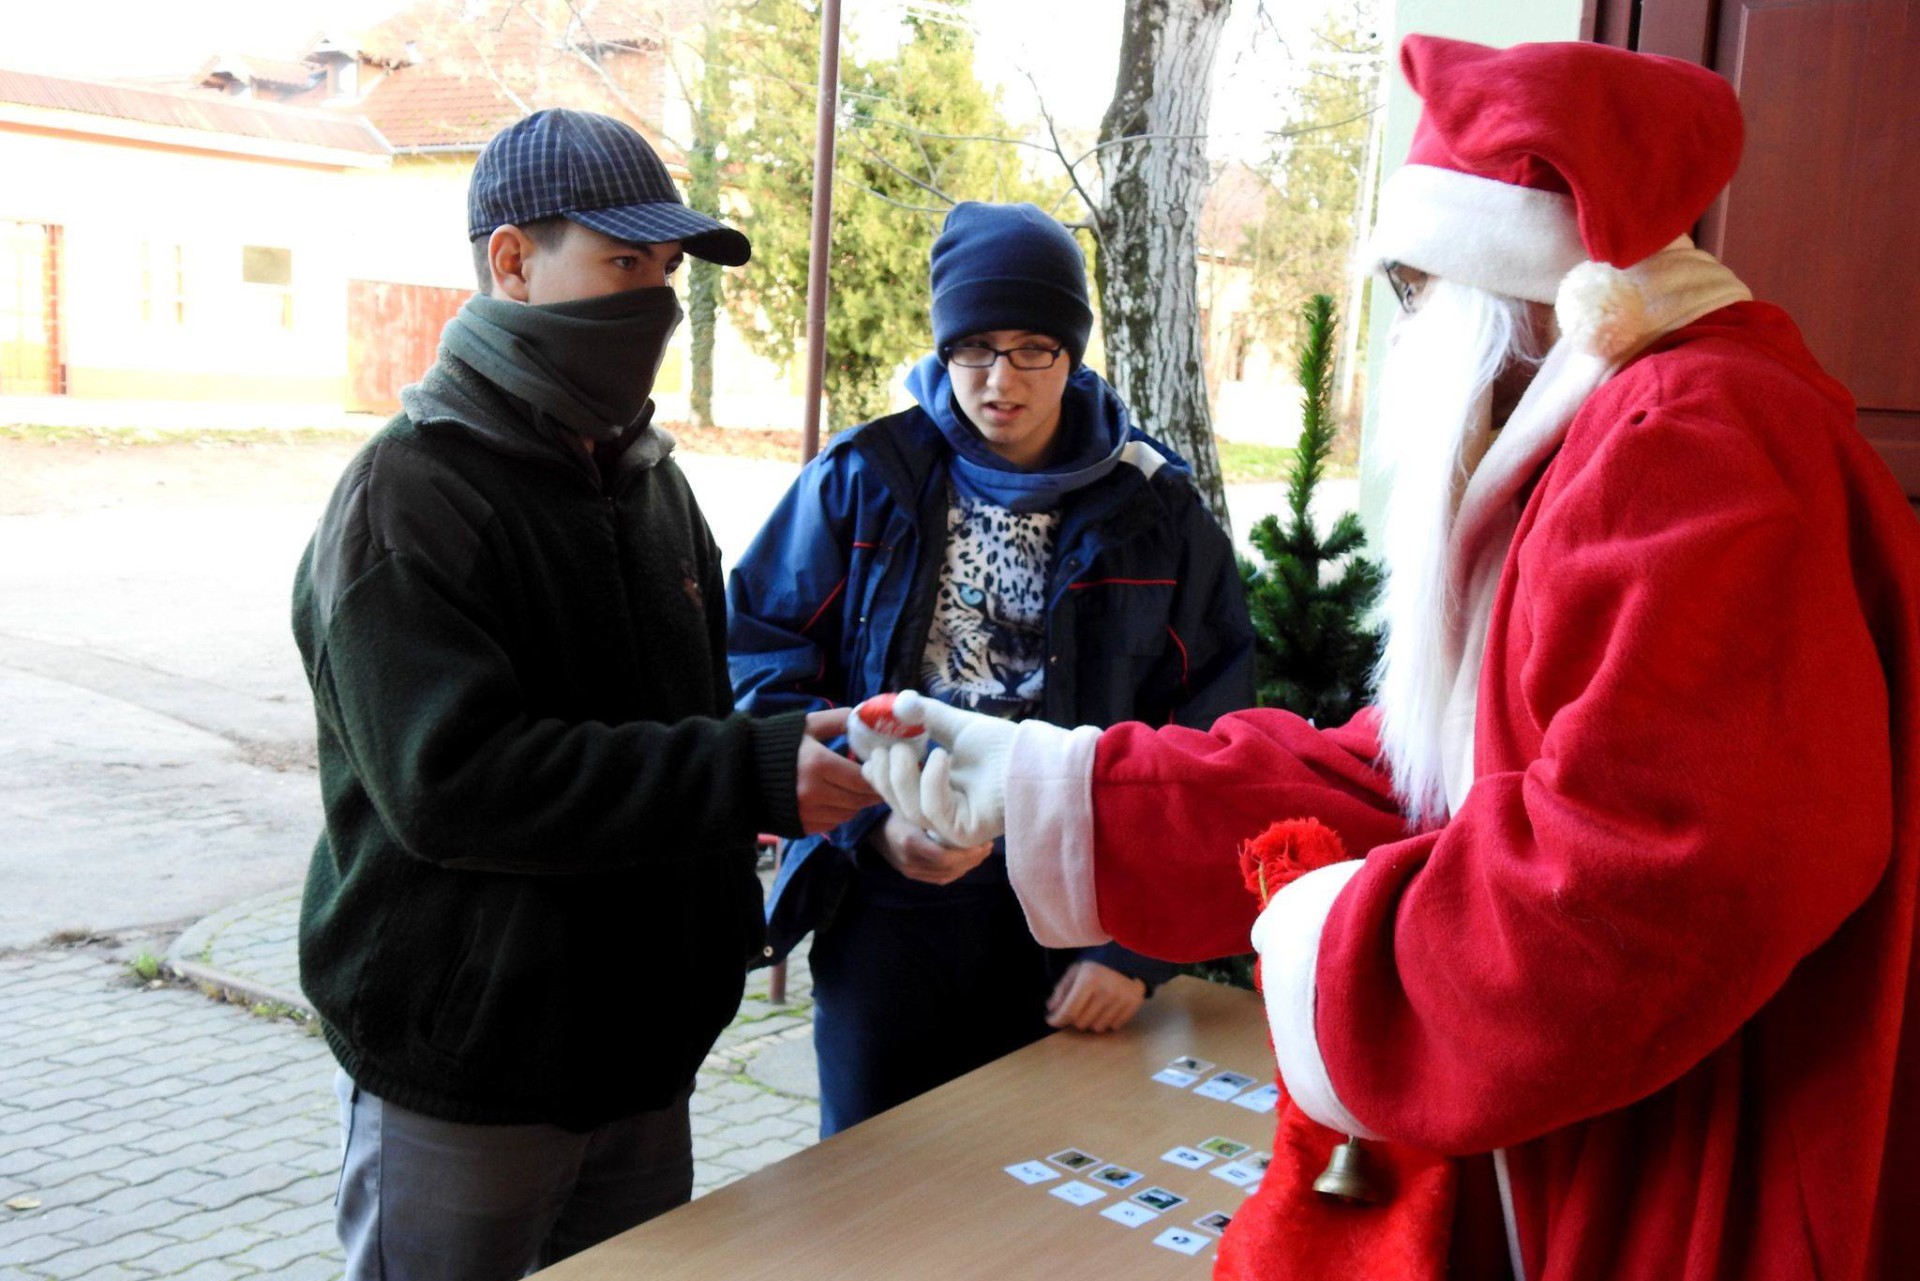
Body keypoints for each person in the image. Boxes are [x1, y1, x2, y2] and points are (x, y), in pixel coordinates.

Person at [860, 37, 1920, 1281]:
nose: (1404, 335)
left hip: (1674, 1150)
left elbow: (1655, 883)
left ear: (1503, 282)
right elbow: (1414, 776)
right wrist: (1054, 782)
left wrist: (1336, 949)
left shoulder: (1690, 438)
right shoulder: (1620, 425)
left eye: (1414, 292)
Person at [292, 108, 876, 1281]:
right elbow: (456, 785)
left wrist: (783, 744)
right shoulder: (407, 498)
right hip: (470, 1077)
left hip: (645, 1064)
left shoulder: (651, 484)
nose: (654, 302)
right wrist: (747, 771)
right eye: (623, 265)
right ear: (512, 262)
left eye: (665, 272)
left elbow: (680, 723)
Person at [727, 202, 1255, 1137]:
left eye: (1032, 349)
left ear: (1073, 352)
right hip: (885, 907)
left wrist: (1133, 955)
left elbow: (1210, 738)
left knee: (1041, 1177)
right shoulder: (862, 481)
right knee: (871, 1173)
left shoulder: (1159, 514)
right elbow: (758, 664)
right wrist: (870, 824)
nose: (999, 379)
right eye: (972, 347)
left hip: (1070, 916)